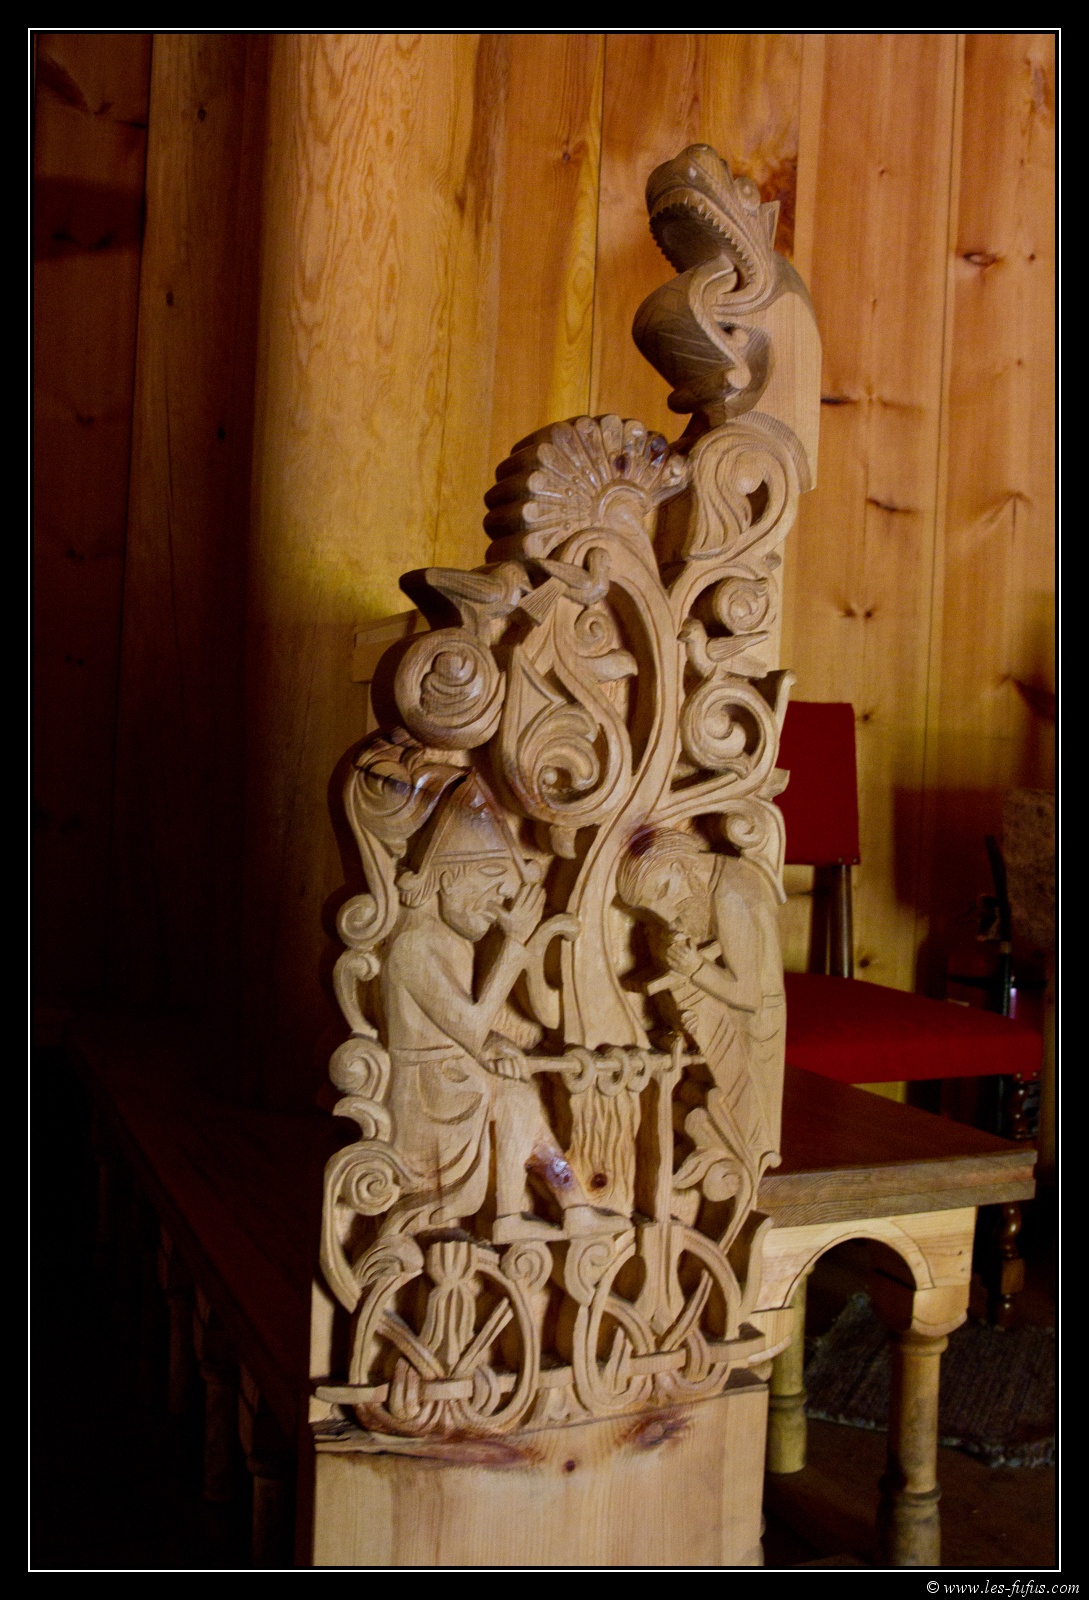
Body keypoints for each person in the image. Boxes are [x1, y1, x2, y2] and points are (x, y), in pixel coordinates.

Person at [380, 771, 618, 1242]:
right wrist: (513, 945)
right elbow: (467, 1024)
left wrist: (492, 1042)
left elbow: (457, 1024)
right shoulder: (413, 945)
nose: (496, 908)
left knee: (517, 1095)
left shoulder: (449, 939)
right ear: (447, 878)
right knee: (514, 1099)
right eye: (488, 890)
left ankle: (570, 1203)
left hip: (450, 1079)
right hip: (425, 1098)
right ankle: (516, 1212)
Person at [616, 827, 784, 1185]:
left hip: (751, 1027)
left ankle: (739, 1177)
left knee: (746, 1125)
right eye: (651, 906)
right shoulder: (704, 884)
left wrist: (693, 968)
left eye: (663, 891)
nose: (664, 912)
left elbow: (748, 995)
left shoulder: (733, 893)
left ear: (681, 866)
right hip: (724, 1018)